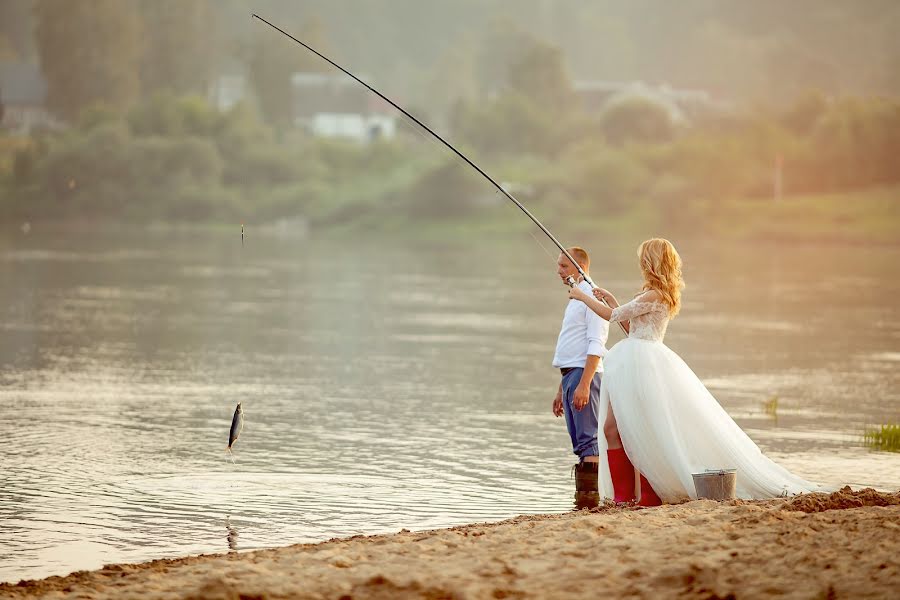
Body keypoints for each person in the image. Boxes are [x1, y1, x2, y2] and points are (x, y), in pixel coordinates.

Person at [567, 238, 819, 502]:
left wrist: (582, 296)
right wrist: (612, 300)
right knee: (613, 429)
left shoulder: (656, 295)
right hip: (633, 359)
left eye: (644, 257)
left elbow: (611, 316)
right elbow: (630, 329)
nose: (640, 261)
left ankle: (645, 497)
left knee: (637, 430)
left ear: (652, 262)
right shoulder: (649, 293)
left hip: (644, 365)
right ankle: (625, 497)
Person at [551, 247, 610, 495]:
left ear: (580, 268)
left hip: (584, 374)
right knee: (579, 440)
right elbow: (572, 345)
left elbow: (596, 344)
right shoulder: (576, 297)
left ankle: (589, 499)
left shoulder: (592, 297)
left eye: (564, 265)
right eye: (559, 265)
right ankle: (583, 497)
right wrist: (561, 389)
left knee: (589, 439)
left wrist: (584, 384)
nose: (559, 271)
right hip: (570, 375)